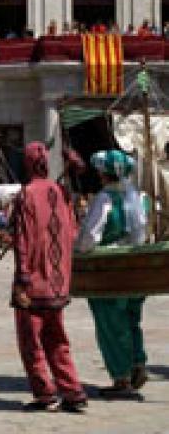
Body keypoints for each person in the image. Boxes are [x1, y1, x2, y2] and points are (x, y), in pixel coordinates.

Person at [11, 142, 87, 412]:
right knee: (57, 338)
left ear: (29, 164)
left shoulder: (26, 195)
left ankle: (45, 393)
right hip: (58, 282)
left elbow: (23, 240)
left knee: (31, 340)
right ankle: (72, 390)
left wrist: (22, 277)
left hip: (33, 281)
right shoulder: (61, 191)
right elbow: (73, 233)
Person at [75, 150, 148, 398]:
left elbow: (89, 238)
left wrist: (81, 249)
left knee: (111, 324)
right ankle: (138, 362)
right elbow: (140, 235)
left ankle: (122, 379)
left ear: (104, 173)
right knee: (131, 319)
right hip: (134, 269)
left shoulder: (104, 199)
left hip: (108, 272)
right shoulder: (133, 196)